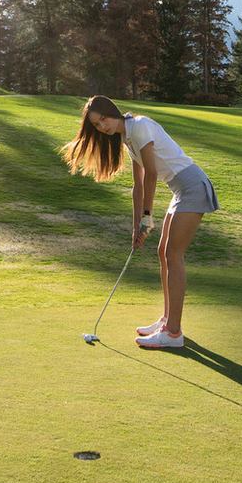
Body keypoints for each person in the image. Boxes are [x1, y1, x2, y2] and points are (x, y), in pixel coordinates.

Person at [59, 95, 219, 349]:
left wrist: (147, 216)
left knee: (173, 254)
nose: (103, 127)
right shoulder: (128, 138)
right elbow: (139, 185)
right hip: (181, 190)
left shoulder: (140, 126)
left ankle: (173, 333)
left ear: (113, 112)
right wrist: (137, 226)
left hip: (192, 187)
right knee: (163, 252)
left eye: (104, 119)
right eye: (98, 125)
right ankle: (167, 321)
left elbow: (153, 174)